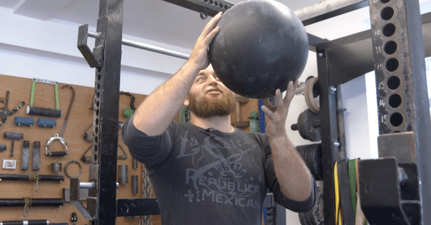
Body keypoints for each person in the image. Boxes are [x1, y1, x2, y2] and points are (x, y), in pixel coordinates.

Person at [122, 12, 316, 225]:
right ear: (185, 97)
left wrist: (278, 135)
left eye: (219, 77)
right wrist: (193, 64)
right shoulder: (172, 137)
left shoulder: (262, 144)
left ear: (233, 89)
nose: (212, 82)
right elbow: (137, 134)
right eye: (200, 78)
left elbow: (302, 199)